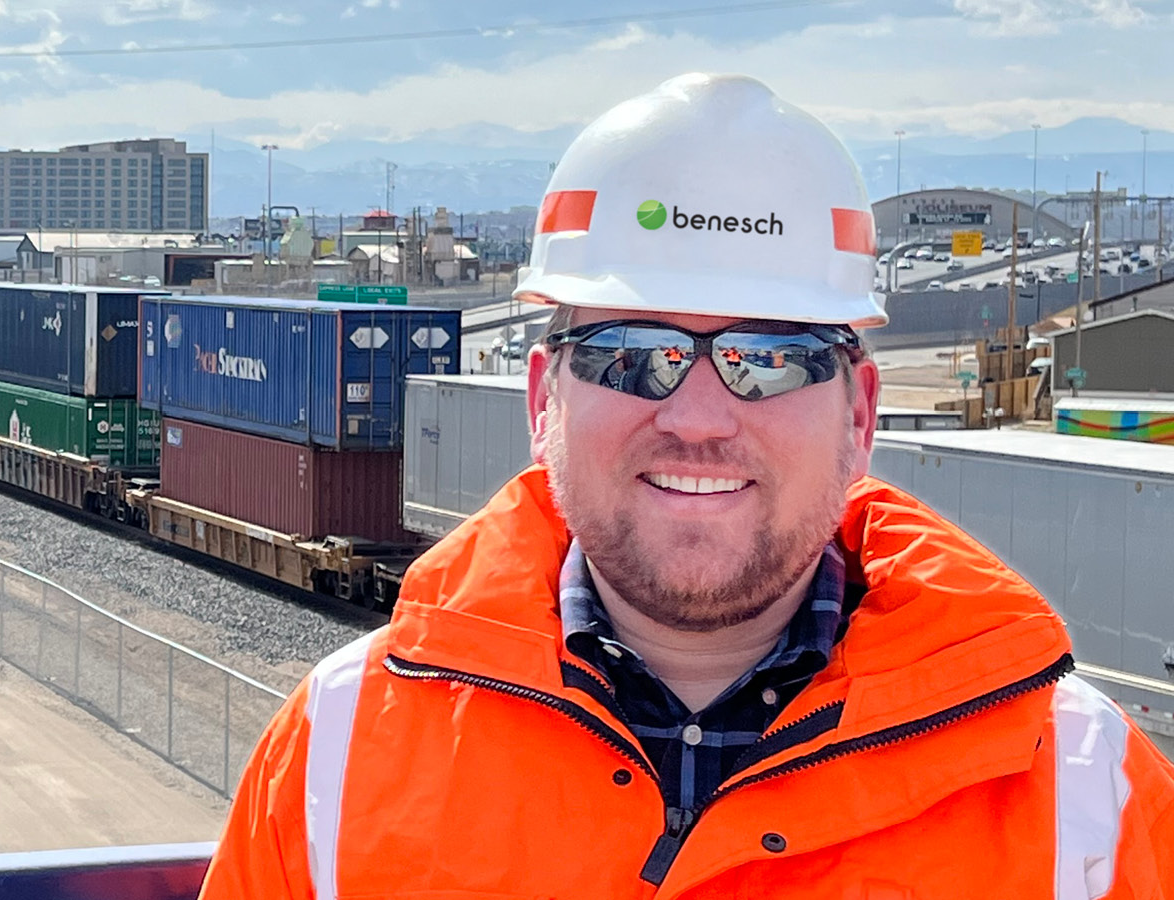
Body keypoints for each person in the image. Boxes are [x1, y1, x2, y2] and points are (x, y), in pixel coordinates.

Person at [199, 73, 1174, 898]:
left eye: (772, 358)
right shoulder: (335, 759)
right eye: (634, 354)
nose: (700, 417)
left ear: (861, 412)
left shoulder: (1086, 808)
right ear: (544, 400)